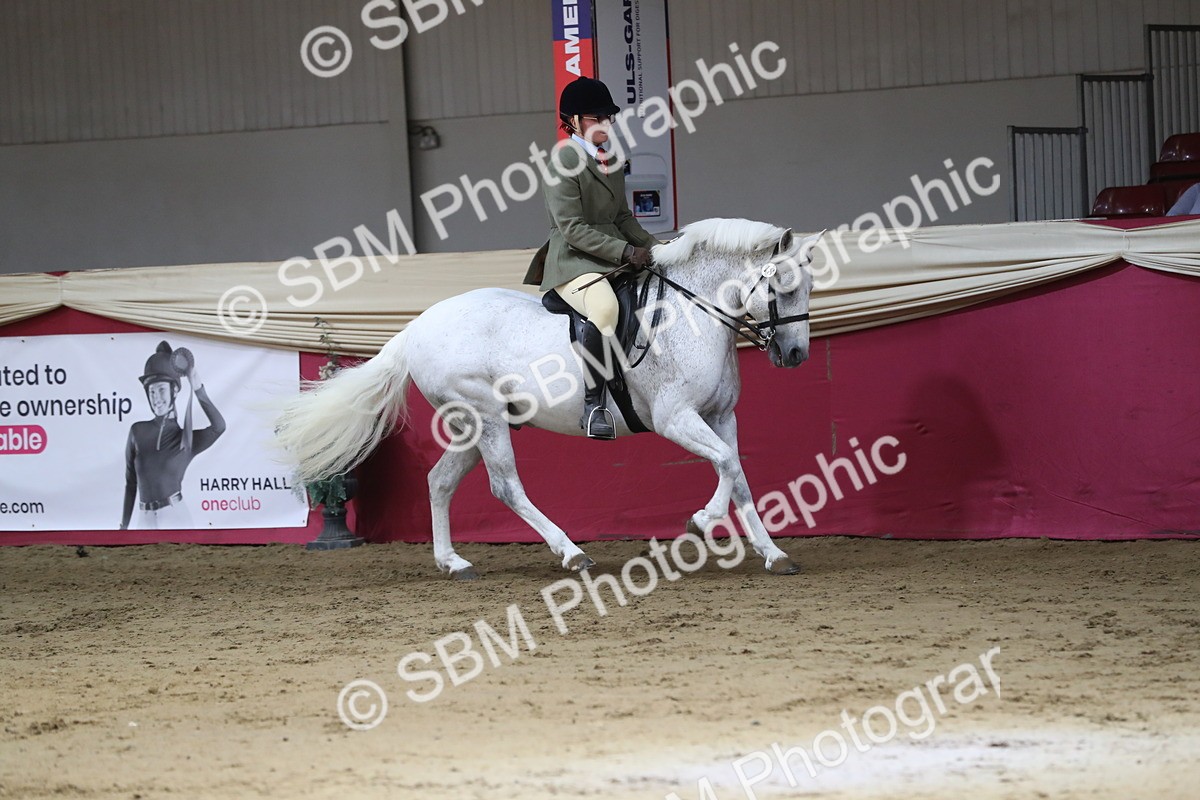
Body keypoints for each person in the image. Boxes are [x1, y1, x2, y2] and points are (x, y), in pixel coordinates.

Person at [524, 76, 660, 440]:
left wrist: (657, 248)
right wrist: (625, 251)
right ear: (573, 121)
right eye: (596, 117)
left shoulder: (611, 159)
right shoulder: (562, 162)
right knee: (604, 309)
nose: (606, 123)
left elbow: (621, 217)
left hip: (612, 256)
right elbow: (572, 228)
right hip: (573, 260)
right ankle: (594, 404)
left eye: (608, 116)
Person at [120, 341, 226, 529]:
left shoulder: (186, 439)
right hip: (143, 519)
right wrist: (123, 527)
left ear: (174, 390)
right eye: (151, 391)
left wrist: (197, 386)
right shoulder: (137, 431)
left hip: (175, 515)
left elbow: (219, 426)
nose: (156, 398)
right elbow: (131, 483)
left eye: (161, 389)